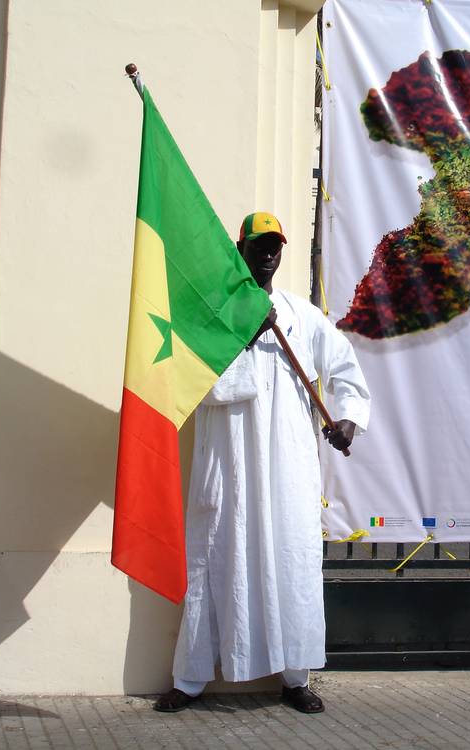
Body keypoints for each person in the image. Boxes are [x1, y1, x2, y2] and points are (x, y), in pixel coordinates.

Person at [153, 211, 370, 714]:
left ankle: (295, 677)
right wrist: (245, 338)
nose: (269, 254)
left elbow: (344, 370)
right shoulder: (212, 317)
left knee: (292, 560)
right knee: (213, 559)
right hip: (229, 463)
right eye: (259, 245)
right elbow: (193, 386)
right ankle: (189, 679)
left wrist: (348, 420)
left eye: (276, 246)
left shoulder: (301, 315)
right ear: (240, 247)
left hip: (289, 465)